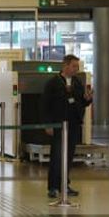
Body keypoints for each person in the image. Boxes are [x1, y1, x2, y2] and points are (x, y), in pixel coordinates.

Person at [42, 54, 92, 199]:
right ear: (65, 66)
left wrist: (87, 99)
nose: (76, 69)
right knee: (57, 155)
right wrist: (48, 123)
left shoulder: (77, 82)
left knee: (69, 155)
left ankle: (65, 184)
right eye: (74, 66)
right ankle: (53, 186)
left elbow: (81, 102)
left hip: (73, 124)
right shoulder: (53, 83)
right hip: (58, 124)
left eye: (78, 66)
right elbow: (45, 104)